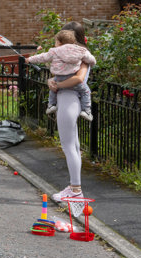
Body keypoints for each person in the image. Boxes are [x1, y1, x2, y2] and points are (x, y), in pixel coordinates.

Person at [45, 21, 92, 203]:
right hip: (68, 99)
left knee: (69, 146)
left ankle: (75, 190)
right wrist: (53, 82)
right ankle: (74, 188)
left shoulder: (81, 57)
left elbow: (78, 79)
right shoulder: (78, 54)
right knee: (73, 146)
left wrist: (57, 85)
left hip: (69, 100)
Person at [27, 29, 94, 121]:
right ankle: (86, 111)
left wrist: (29, 59)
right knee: (86, 91)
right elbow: (91, 59)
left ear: (59, 42)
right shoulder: (81, 50)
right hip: (72, 79)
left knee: (53, 87)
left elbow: (42, 57)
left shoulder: (55, 51)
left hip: (59, 78)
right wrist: (92, 63)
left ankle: (51, 105)